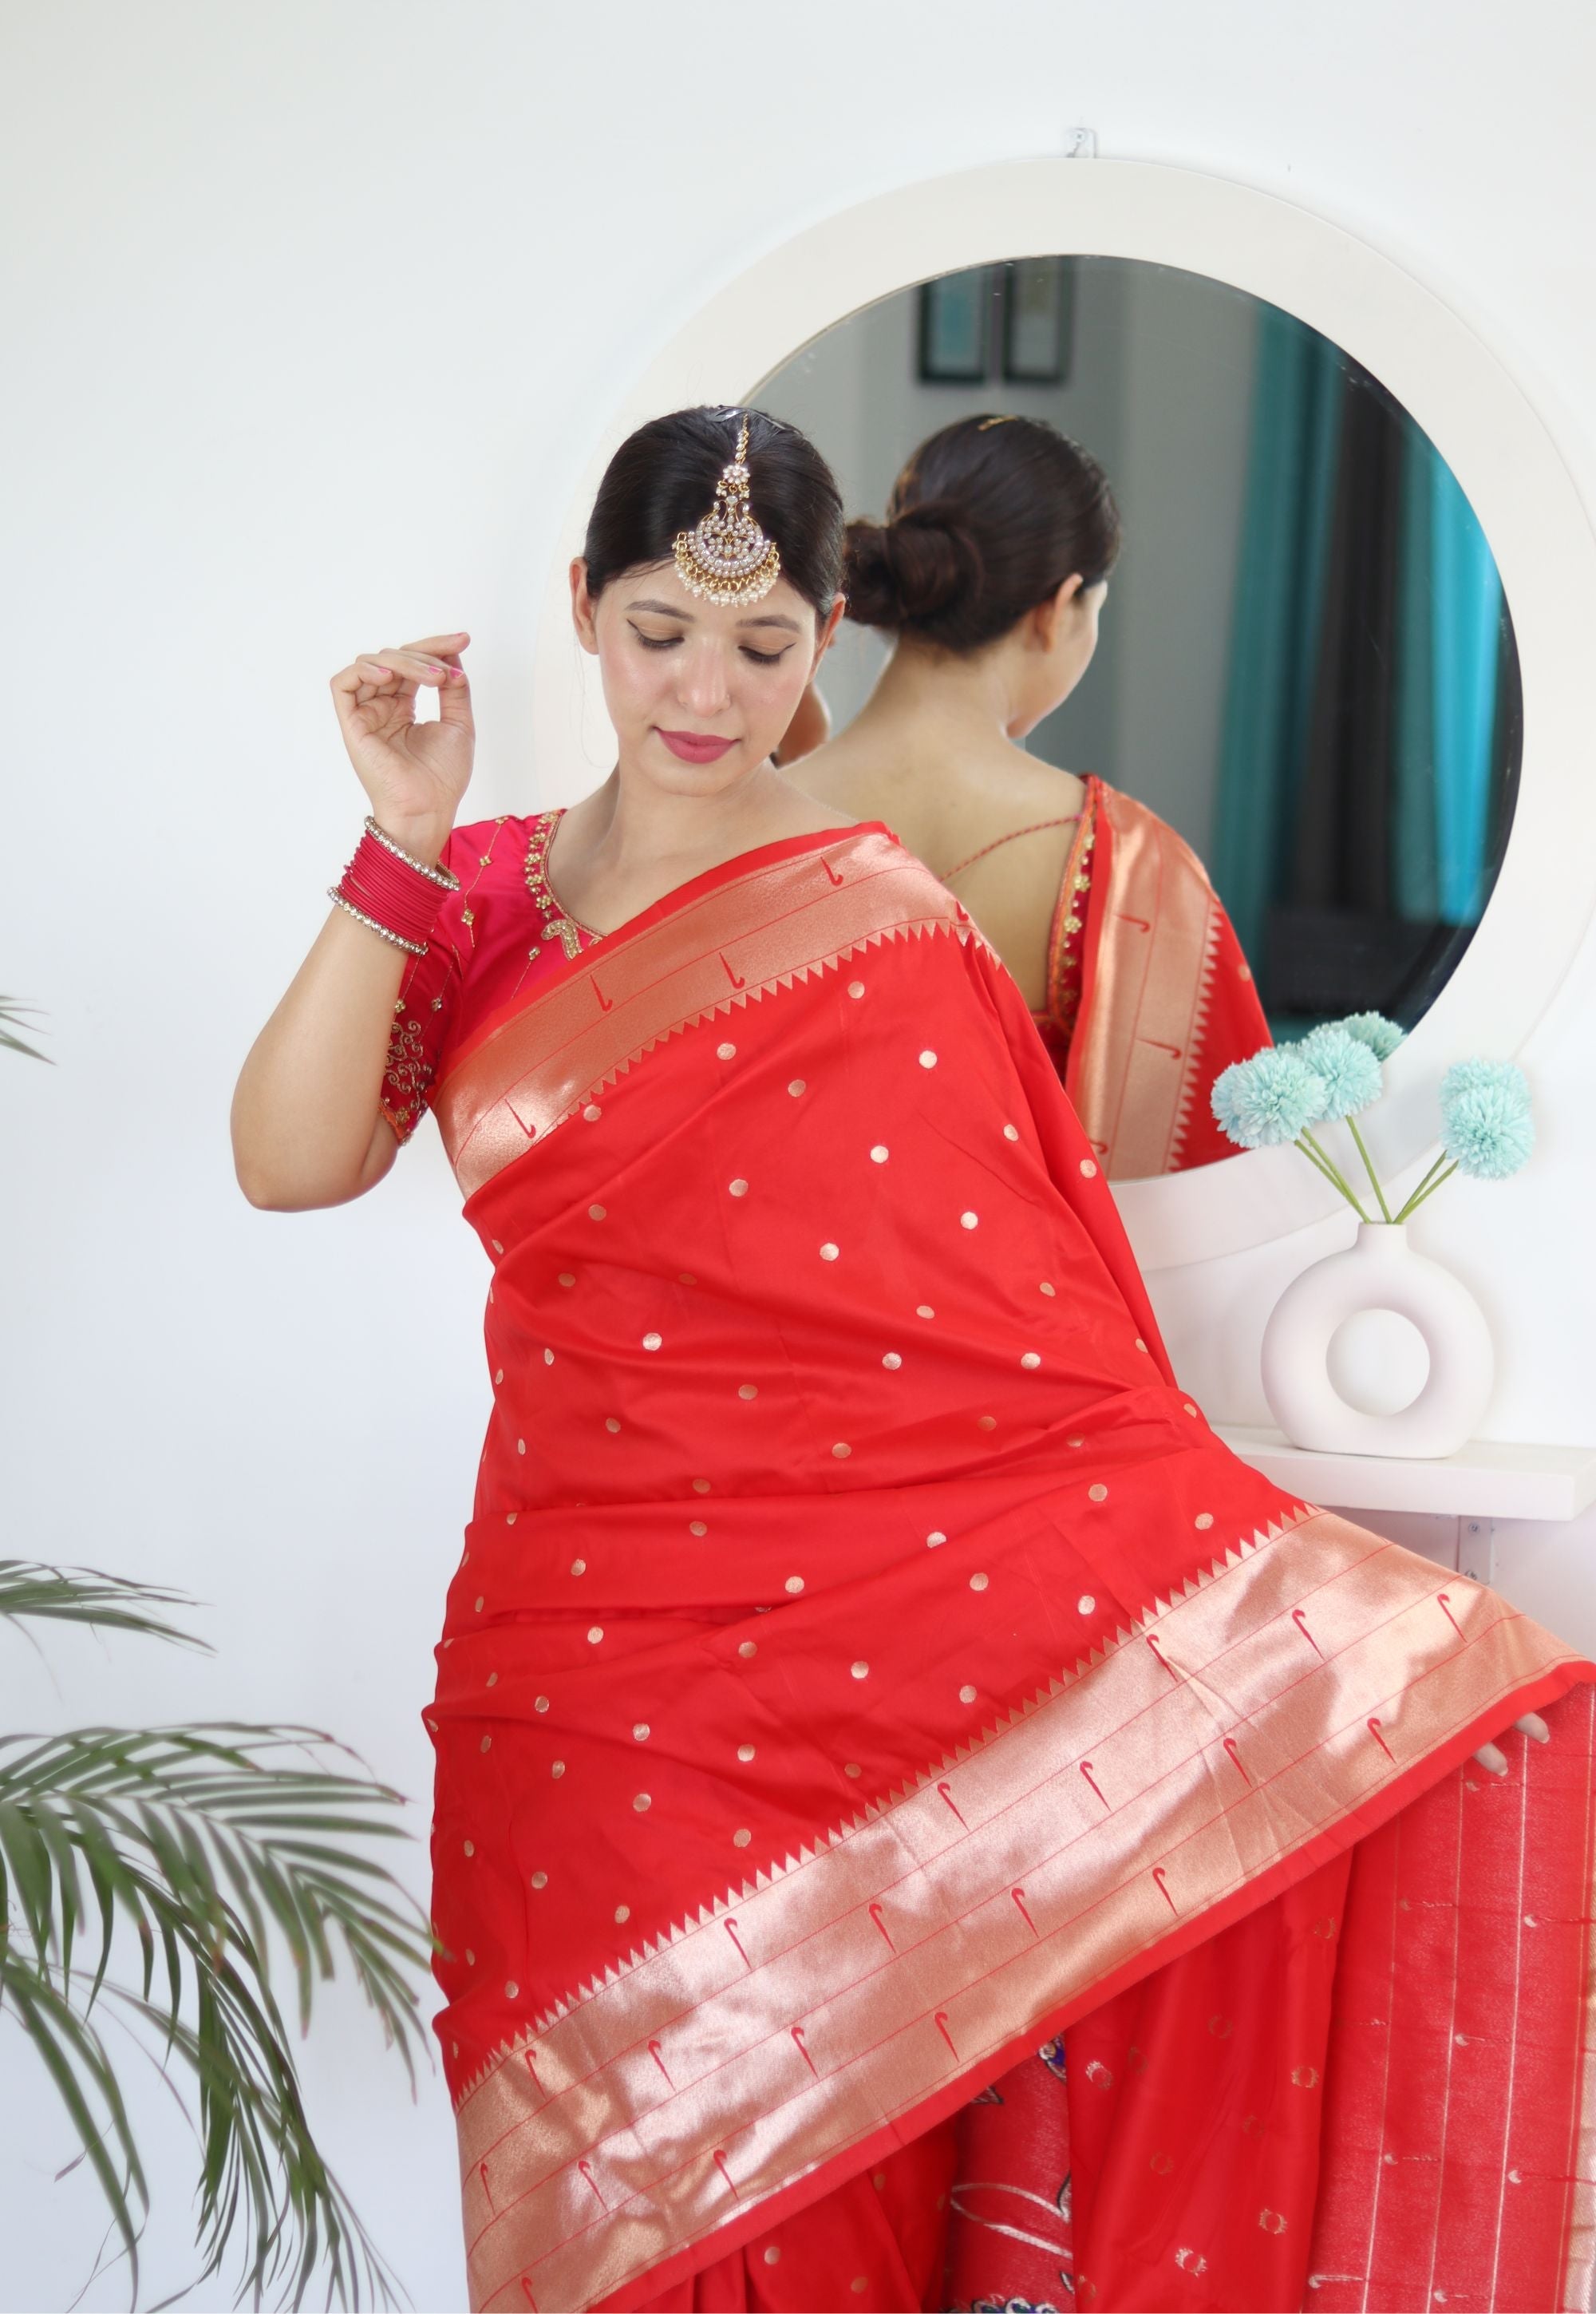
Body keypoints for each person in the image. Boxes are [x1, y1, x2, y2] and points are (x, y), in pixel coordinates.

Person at [233, 406, 1595, 2314]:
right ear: (579, 612)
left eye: (760, 646)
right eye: (653, 632)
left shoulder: (882, 922)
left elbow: (1020, 1366)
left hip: (851, 1698)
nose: (699, 692)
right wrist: (390, 835)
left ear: (822, 643)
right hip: (575, 1705)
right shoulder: (475, 895)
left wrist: (1355, 1650)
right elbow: (288, 1162)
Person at [795, 414, 1269, 1180]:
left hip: (774, 1292)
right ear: (1062, 607)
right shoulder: (1130, 861)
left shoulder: (749, 821)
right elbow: (1226, 1169)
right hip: (1025, 1297)